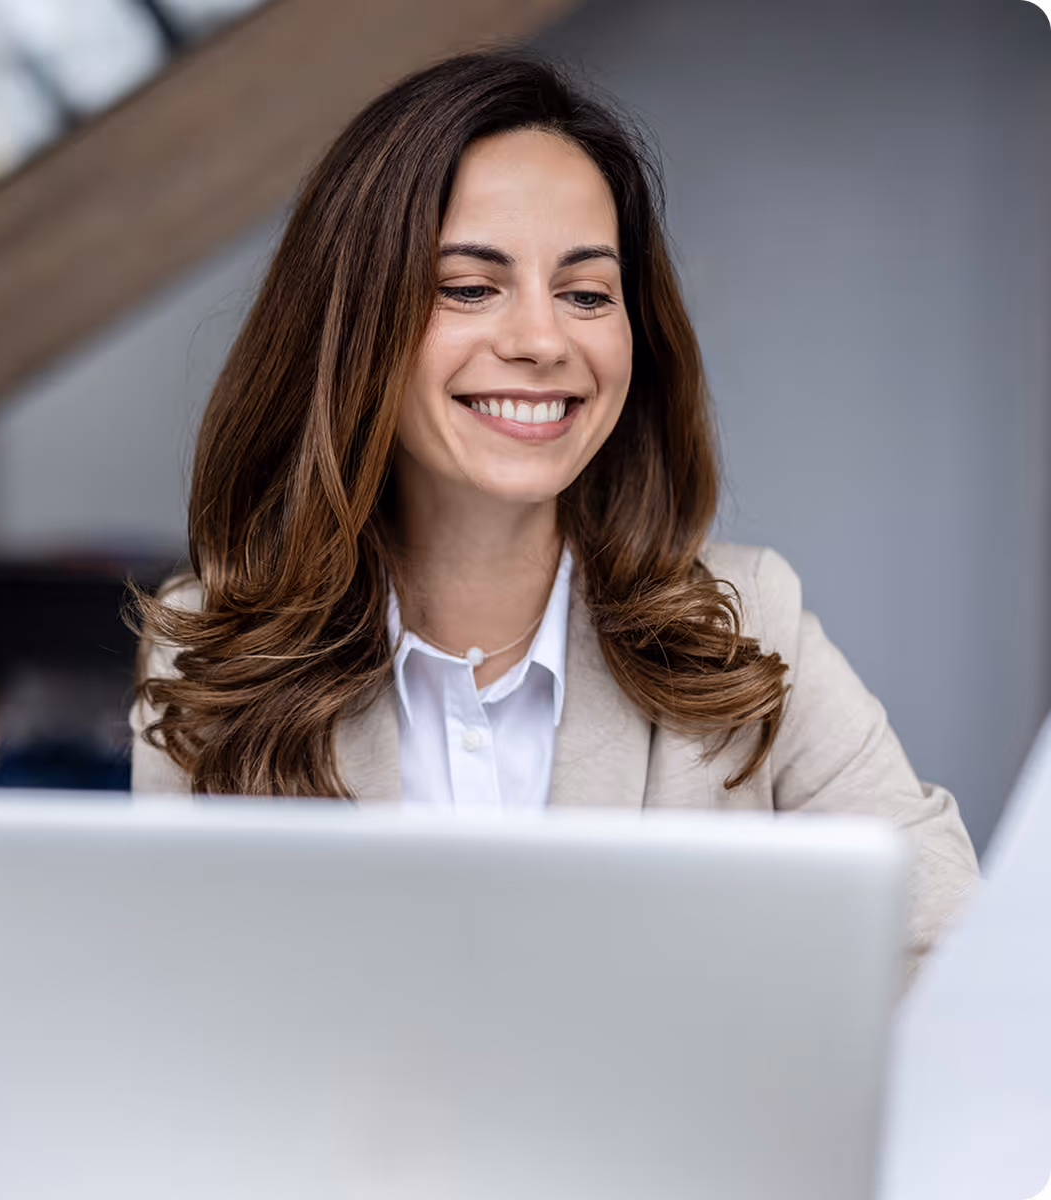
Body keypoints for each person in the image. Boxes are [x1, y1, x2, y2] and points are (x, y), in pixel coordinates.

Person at [128, 50, 977, 986]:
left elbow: (956, 952)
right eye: (468, 287)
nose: (541, 340)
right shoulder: (216, 649)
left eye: (585, 294)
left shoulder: (748, 622)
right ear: (353, 322)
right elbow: (192, 1016)